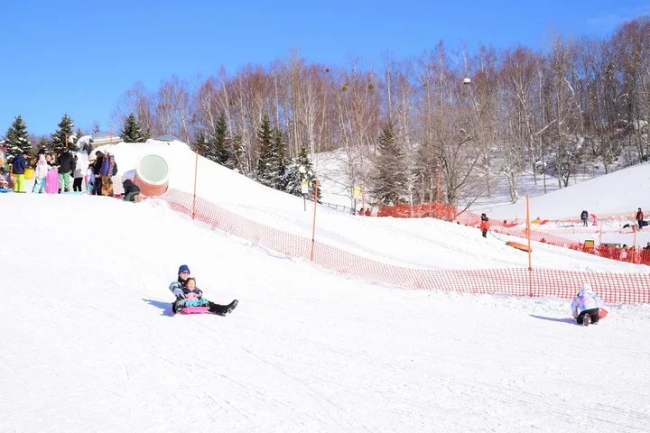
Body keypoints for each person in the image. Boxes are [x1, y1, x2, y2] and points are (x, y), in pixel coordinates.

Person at [168, 264, 238, 315]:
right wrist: (181, 294)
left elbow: (199, 290)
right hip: (184, 300)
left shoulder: (190, 282)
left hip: (194, 300)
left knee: (208, 303)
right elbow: (173, 287)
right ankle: (176, 308)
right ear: (179, 274)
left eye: (187, 273)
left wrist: (199, 294)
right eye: (183, 272)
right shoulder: (177, 283)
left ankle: (224, 309)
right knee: (179, 301)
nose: (185, 274)